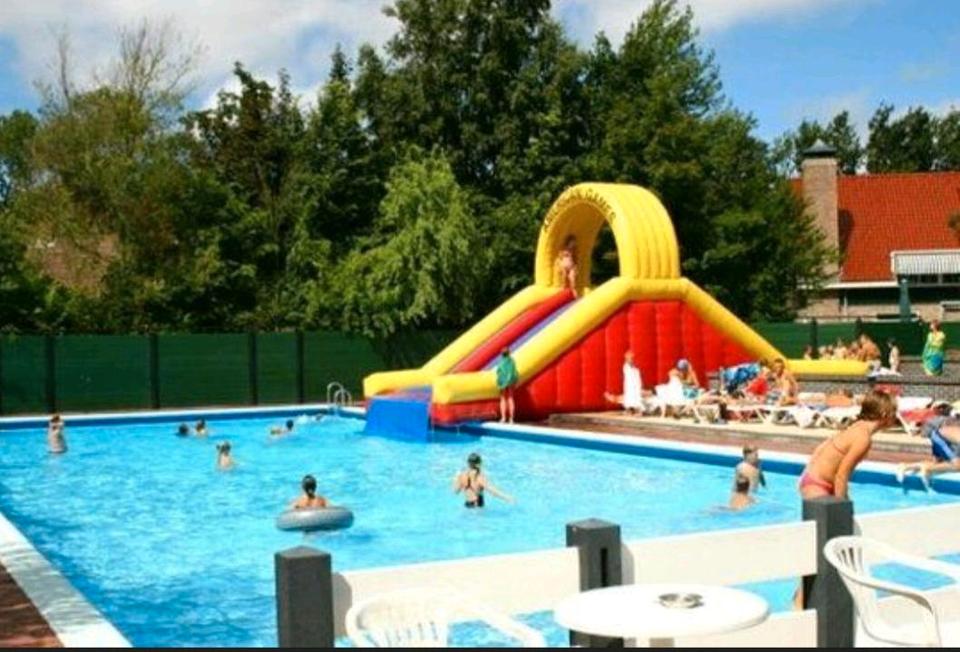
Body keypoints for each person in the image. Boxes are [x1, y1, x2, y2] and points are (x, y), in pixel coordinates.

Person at [798, 390, 897, 501]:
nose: (895, 417)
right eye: (894, 412)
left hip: (814, 480)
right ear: (884, 415)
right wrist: (842, 504)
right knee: (842, 510)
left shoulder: (856, 426)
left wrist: (806, 475)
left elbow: (822, 447)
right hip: (817, 485)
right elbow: (841, 475)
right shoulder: (863, 439)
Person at [896, 403, 960, 489]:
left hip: (946, 436)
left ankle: (906, 466)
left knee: (940, 464)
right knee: (957, 465)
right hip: (941, 435)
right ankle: (927, 469)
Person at [495, 347, 519, 424]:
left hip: (503, 381)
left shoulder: (501, 362)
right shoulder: (512, 361)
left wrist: (499, 382)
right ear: (509, 353)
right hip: (511, 381)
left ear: (501, 354)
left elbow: (498, 371)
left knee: (503, 399)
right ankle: (511, 419)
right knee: (510, 398)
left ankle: (503, 418)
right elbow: (514, 371)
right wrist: (514, 380)